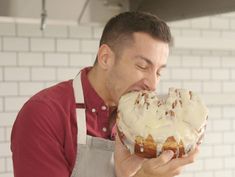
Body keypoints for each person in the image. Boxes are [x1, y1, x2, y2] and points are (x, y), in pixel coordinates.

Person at [11, 11, 199, 177]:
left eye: (159, 72)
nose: (152, 85)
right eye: (142, 66)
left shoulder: (143, 128)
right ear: (105, 58)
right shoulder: (43, 115)